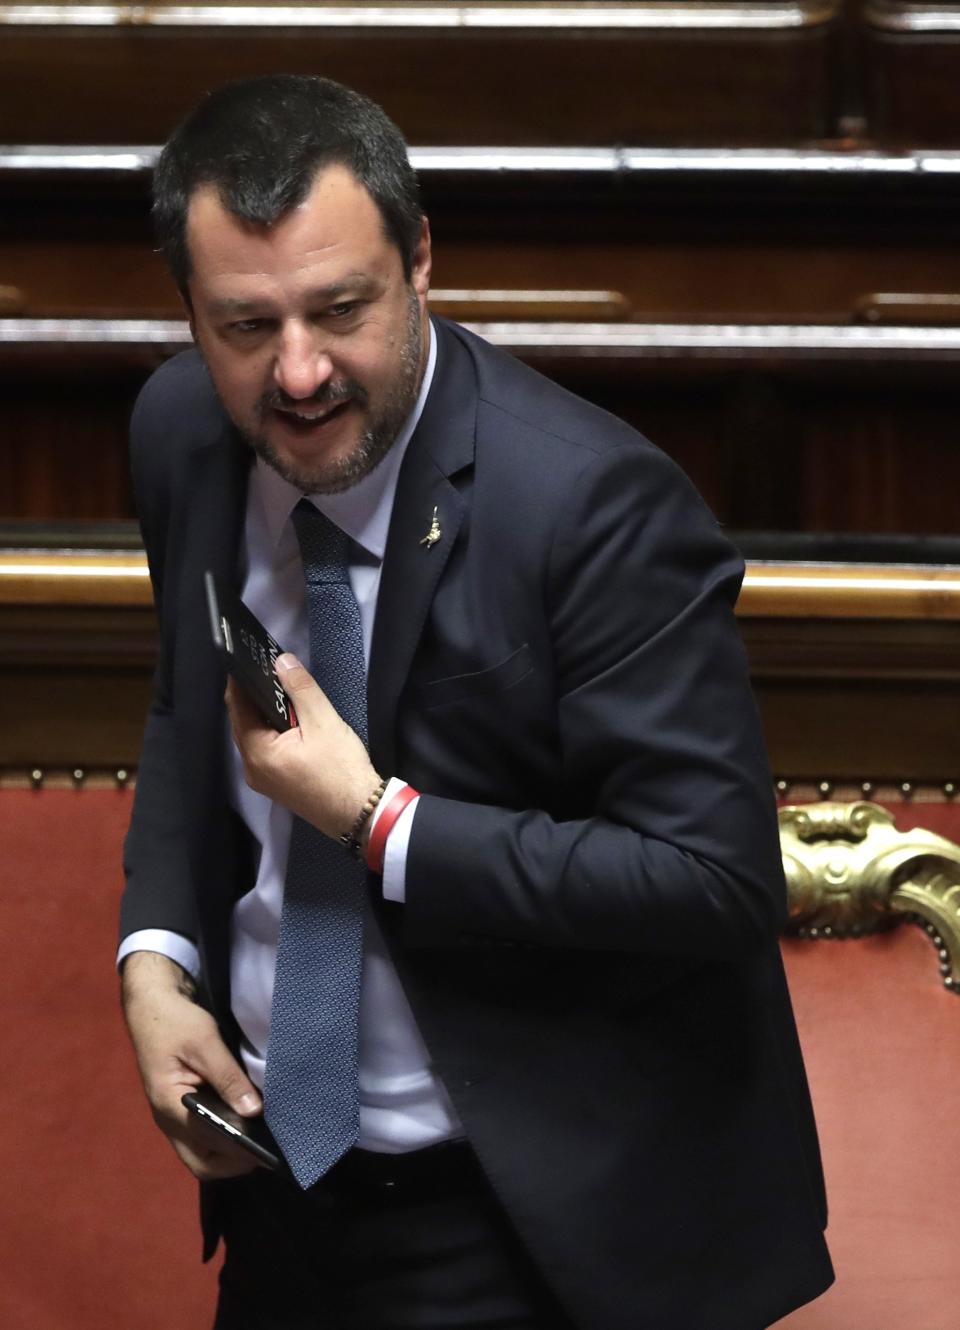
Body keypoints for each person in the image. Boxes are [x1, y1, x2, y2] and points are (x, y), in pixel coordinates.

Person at [118, 74, 833, 1330]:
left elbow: (715, 881)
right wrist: (158, 964)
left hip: (527, 1227)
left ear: (422, 260)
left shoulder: (592, 504)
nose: (297, 373)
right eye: (244, 326)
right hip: (284, 1190)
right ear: (187, 309)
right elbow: (193, 708)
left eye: (340, 310)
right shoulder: (183, 432)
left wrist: (379, 823)